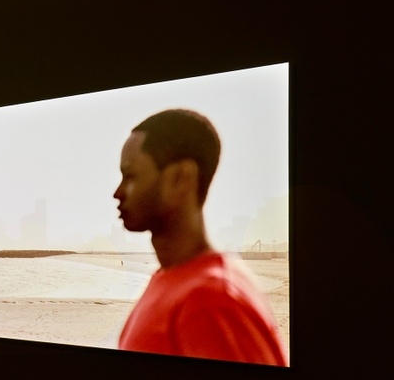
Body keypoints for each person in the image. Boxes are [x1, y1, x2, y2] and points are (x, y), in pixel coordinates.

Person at [113, 109, 287, 366]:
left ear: (180, 178)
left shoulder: (210, 300)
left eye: (130, 176)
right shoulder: (171, 278)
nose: (117, 192)